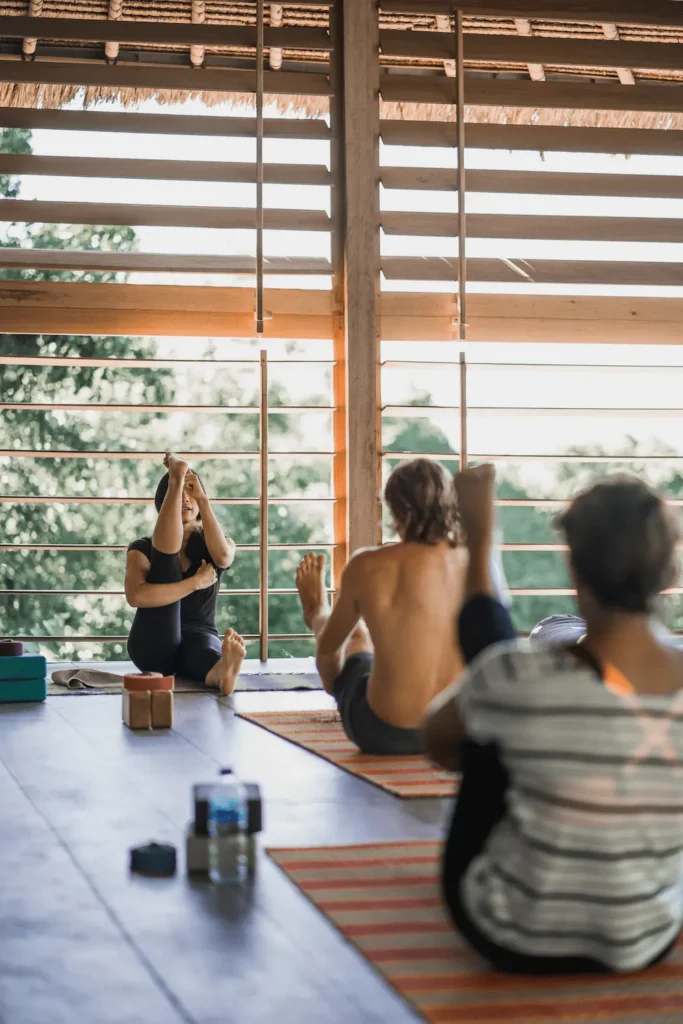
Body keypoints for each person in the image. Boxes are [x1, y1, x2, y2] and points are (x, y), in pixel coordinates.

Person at [423, 466, 683, 975]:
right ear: (668, 574)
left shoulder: (516, 673)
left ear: (576, 572)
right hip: (648, 938)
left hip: (510, 934)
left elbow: (436, 741)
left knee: (491, 727)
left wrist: (479, 541)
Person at [295, 458, 468, 756]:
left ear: (396, 510)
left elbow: (327, 650)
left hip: (382, 732)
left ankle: (317, 612)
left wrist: (336, 689)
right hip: (456, 735)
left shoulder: (368, 564)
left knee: (356, 639)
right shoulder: (474, 562)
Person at [125, 452, 246, 695]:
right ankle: (174, 480)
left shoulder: (217, 544)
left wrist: (204, 498)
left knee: (205, 654)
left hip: (199, 636)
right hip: (153, 641)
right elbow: (136, 596)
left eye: (191, 494)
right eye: (179, 493)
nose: (186, 500)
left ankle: (223, 673)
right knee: (165, 565)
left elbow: (223, 557)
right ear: (166, 499)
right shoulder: (142, 548)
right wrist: (194, 583)